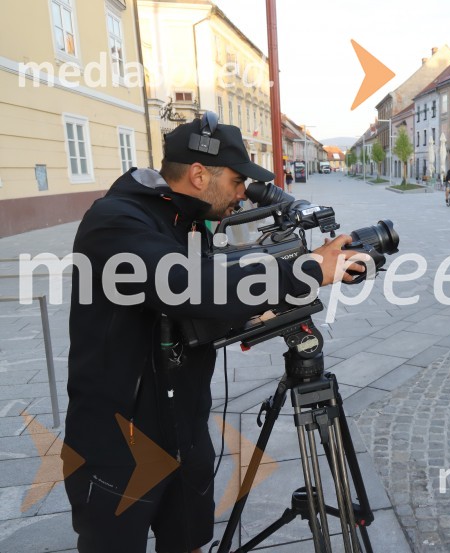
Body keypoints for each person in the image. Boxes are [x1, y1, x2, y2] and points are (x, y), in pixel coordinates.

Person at [62, 115, 363, 553]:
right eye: (239, 181)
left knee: (188, 543)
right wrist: (307, 270)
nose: (243, 193)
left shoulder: (187, 220)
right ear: (200, 174)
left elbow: (201, 302)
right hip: (117, 446)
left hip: (185, 432)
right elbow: (184, 285)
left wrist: (250, 313)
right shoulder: (114, 220)